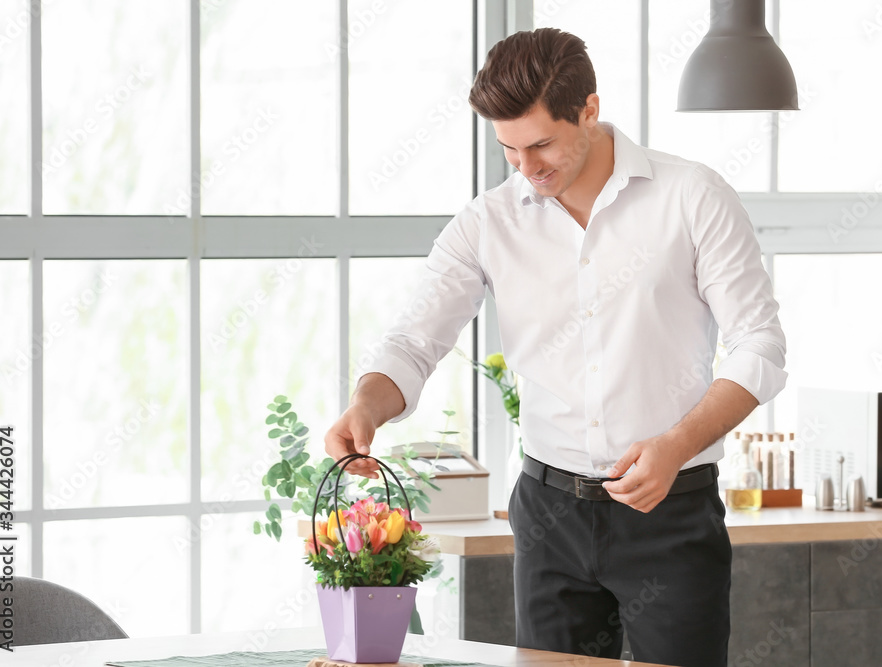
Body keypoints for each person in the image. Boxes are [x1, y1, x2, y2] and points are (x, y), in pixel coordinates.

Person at [325, 27, 787, 667]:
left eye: (540, 143)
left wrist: (676, 445)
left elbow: (759, 343)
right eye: (508, 149)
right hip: (548, 518)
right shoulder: (488, 223)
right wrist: (366, 406)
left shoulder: (692, 197)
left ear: (590, 109)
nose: (526, 166)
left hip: (671, 511)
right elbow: (414, 339)